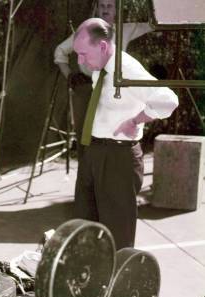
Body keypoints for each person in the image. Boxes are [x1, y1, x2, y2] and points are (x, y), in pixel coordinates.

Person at [73, 18, 178, 250]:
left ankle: (116, 282)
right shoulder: (100, 68)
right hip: (95, 151)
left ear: (102, 46)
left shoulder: (126, 69)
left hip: (118, 157)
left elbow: (168, 101)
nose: (80, 61)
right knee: (85, 225)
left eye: (83, 54)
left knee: (117, 235)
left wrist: (136, 120)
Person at [54, 0, 152, 160]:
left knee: (110, 135)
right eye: (102, 6)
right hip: (86, 88)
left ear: (116, 9)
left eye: (109, 6)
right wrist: (70, 76)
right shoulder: (86, 31)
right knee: (85, 138)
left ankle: (106, 175)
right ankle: (86, 177)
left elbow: (152, 24)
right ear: (97, 8)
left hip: (113, 88)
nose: (105, 9)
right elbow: (60, 51)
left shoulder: (124, 29)